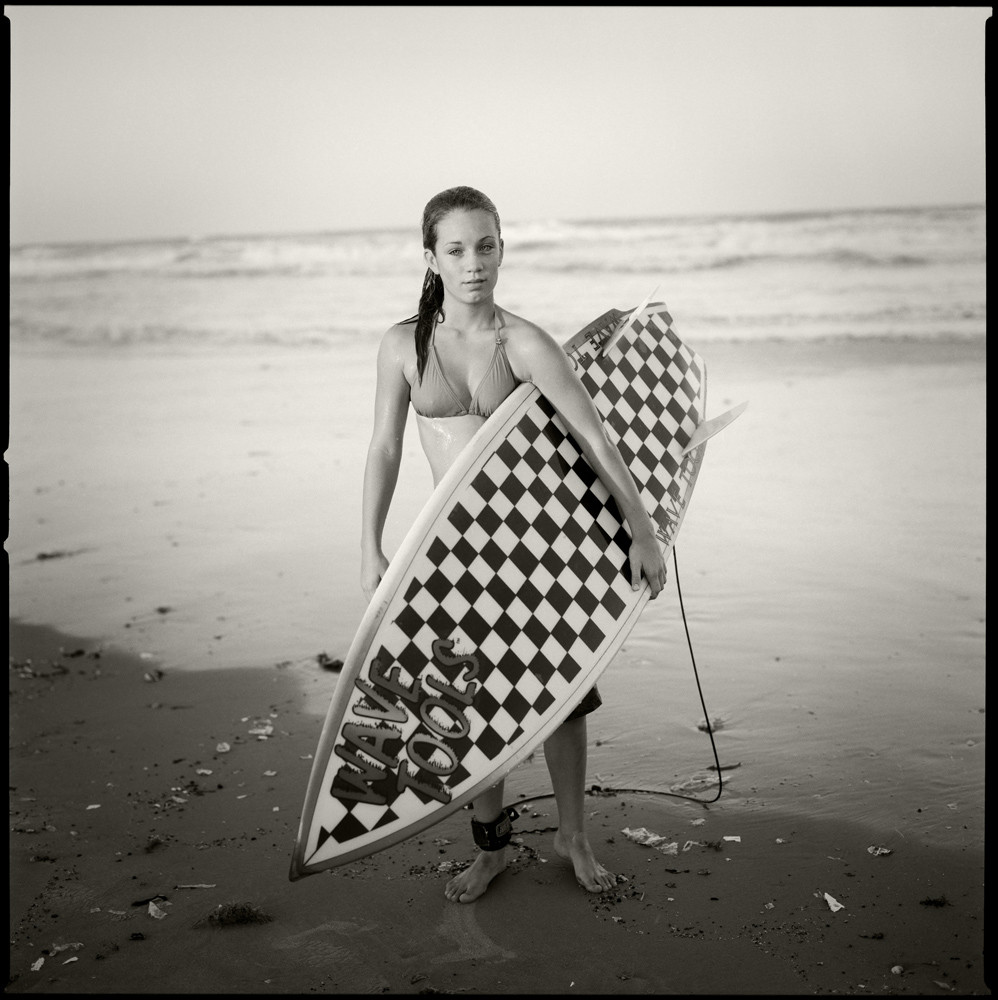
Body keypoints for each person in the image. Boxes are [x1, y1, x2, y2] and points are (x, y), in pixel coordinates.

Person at [360, 186, 667, 903]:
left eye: (487, 245)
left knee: (563, 694)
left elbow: (593, 439)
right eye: (458, 249)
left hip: (535, 543)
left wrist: (642, 527)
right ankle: (491, 848)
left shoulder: (525, 343)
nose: (474, 264)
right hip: (450, 552)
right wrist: (371, 545)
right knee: (471, 694)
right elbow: (383, 446)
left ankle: (573, 834)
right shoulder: (402, 345)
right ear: (431, 256)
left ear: (504, 247)